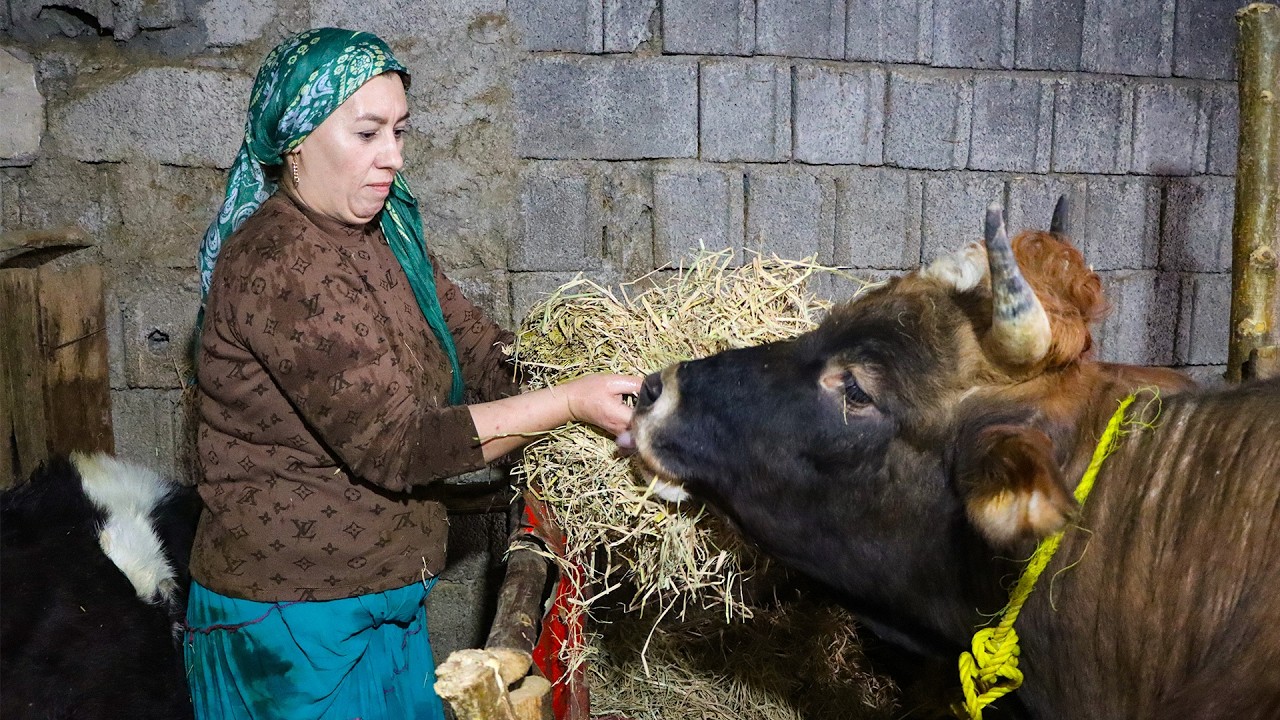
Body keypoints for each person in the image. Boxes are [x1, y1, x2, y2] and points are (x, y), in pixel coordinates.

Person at [185, 28, 641, 720]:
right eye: (367, 134)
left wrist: (580, 367)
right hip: (293, 628)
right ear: (296, 141)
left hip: (381, 602)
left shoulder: (383, 233)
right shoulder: (279, 263)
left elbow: (473, 345)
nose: (393, 157)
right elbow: (402, 447)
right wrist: (570, 404)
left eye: (400, 131)